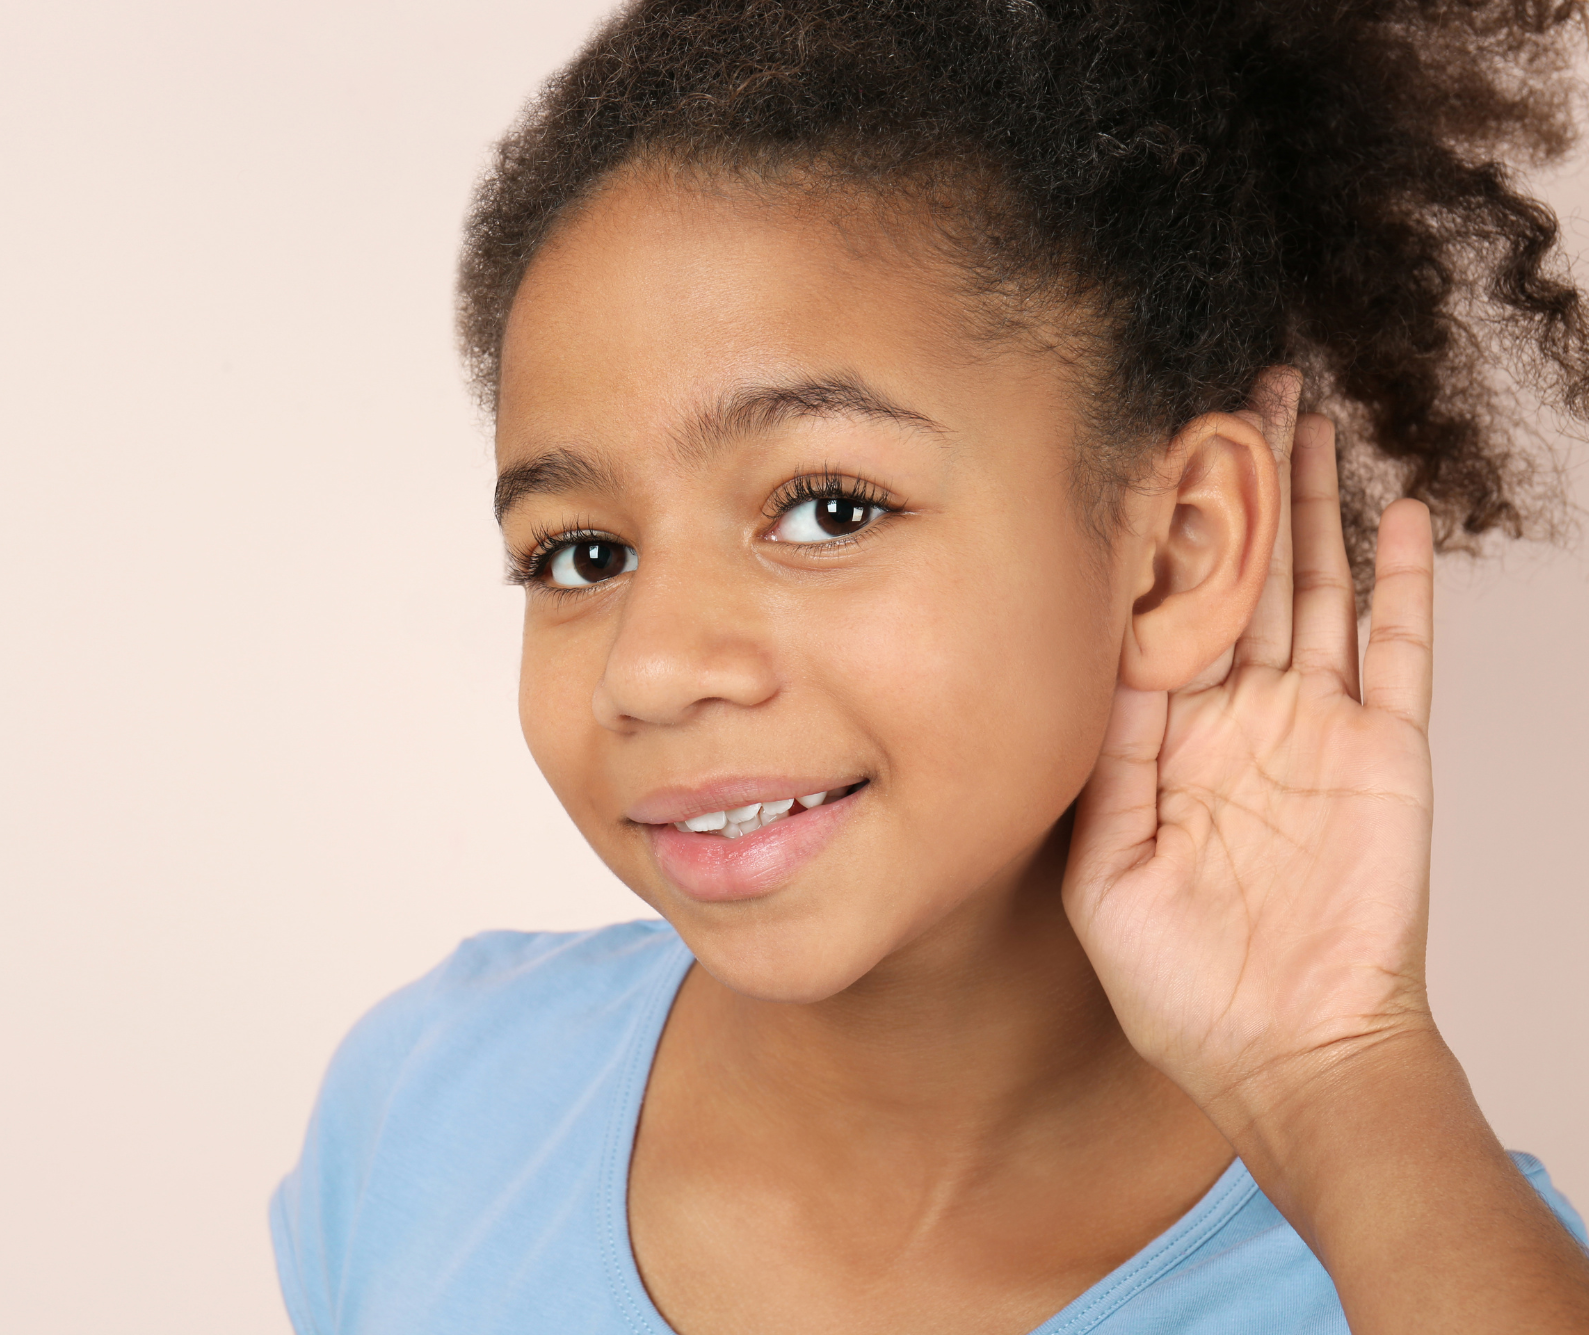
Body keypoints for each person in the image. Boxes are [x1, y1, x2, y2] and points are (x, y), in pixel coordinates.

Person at [272, 1, 1589, 1330]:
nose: (653, 666)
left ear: (1179, 550)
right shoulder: (430, 1105)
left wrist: (1339, 1074)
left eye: (829, 508)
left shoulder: (1425, 1262)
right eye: (581, 554)